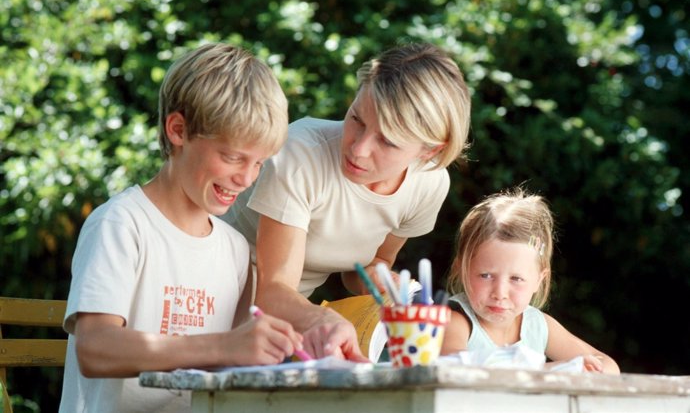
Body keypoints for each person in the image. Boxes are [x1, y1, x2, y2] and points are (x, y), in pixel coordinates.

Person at [59, 43, 304, 413]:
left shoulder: (235, 250)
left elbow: (230, 368)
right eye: (233, 157)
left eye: (259, 164)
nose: (246, 178)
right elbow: (94, 348)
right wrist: (224, 345)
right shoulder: (122, 224)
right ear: (178, 130)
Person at [223, 42, 472, 360]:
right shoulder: (300, 155)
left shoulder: (429, 184)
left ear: (431, 150)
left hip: (281, 326)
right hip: (209, 299)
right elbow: (272, 293)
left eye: (387, 140)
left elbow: (368, 267)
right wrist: (325, 320)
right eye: (357, 119)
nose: (358, 148)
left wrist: (385, 285)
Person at [441, 188, 620, 374]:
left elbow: (608, 366)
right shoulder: (455, 320)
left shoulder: (537, 324)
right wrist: (550, 370)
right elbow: (454, 368)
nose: (500, 293)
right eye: (486, 275)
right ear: (460, 269)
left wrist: (588, 369)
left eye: (516, 279)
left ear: (538, 280)